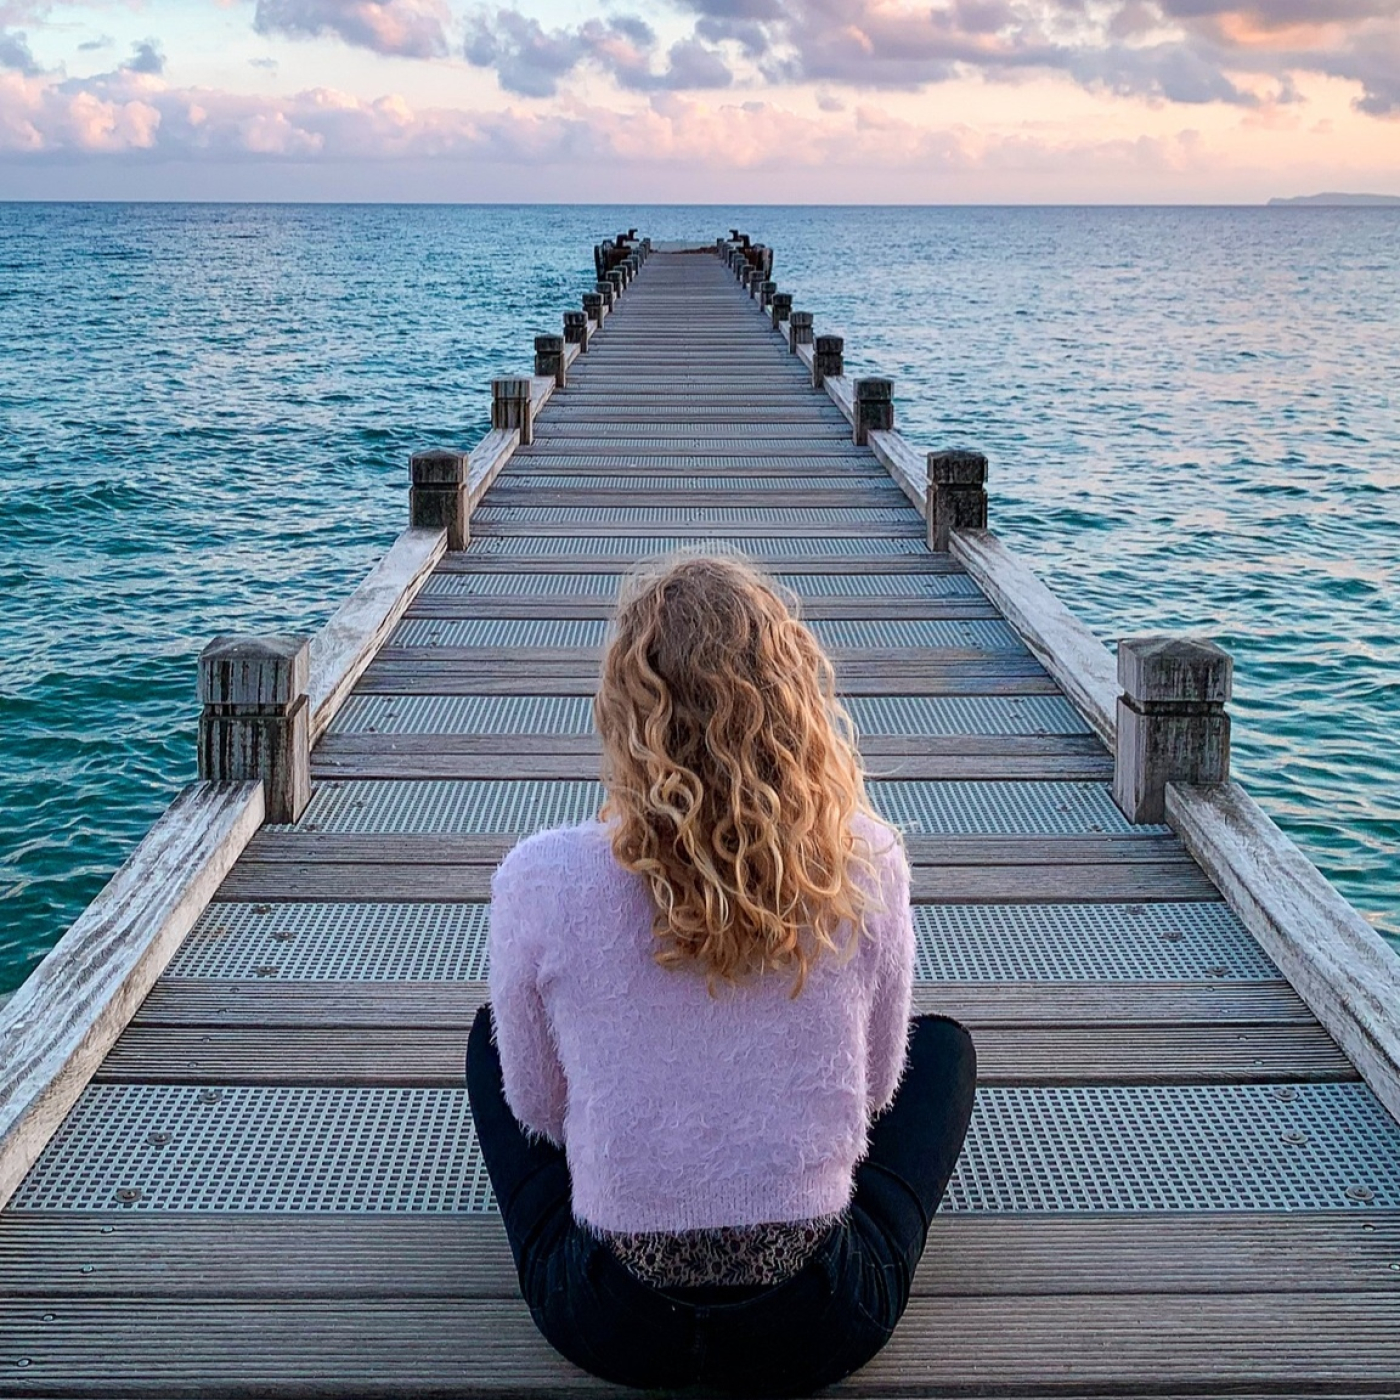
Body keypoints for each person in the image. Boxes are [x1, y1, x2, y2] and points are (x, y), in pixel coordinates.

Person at [465, 550, 976, 1395]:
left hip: (609, 1320)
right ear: (795, 706)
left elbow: (539, 1112)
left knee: (492, 1038)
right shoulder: (867, 861)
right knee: (945, 1052)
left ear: (624, 713)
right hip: (817, 1323)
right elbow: (879, 1090)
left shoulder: (540, 877)